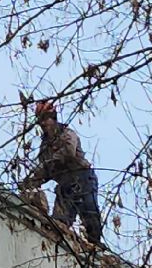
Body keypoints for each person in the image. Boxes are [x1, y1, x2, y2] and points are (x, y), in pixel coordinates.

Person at [20, 100, 103, 246]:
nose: (43, 124)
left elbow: (68, 152)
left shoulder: (67, 134)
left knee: (89, 212)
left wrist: (49, 163)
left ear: (53, 118)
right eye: (41, 121)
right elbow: (44, 170)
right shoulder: (45, 147)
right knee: (59, 221)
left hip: (82, 178)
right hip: (65, 185)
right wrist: (31, 181)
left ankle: (95, 247)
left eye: (46, 119)